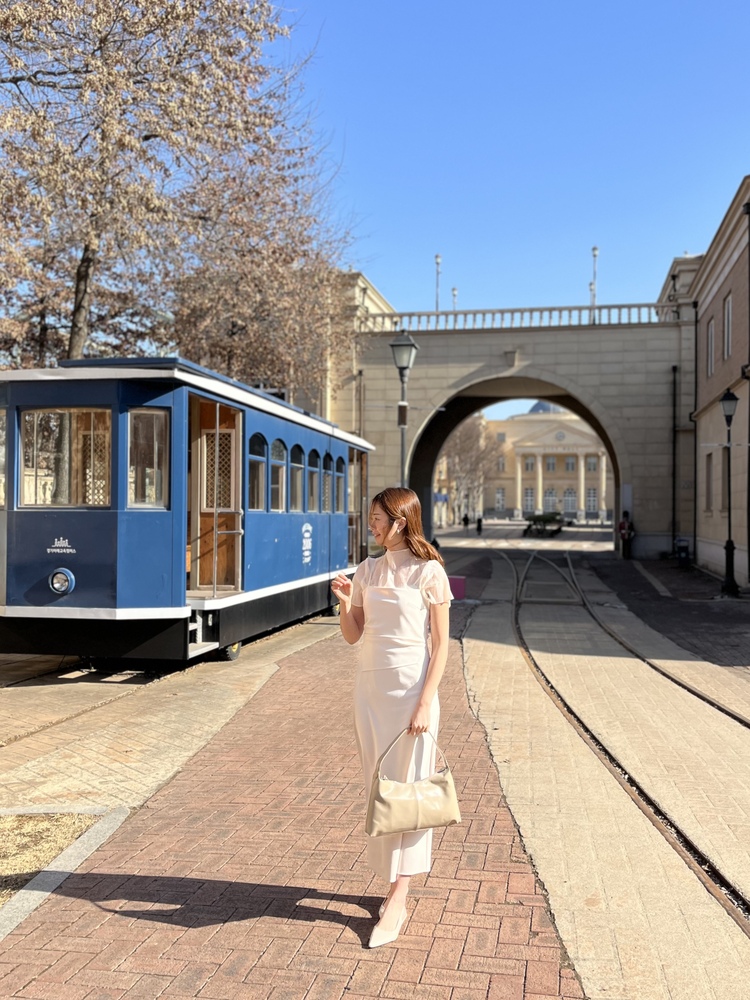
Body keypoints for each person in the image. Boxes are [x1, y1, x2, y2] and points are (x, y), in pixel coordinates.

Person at [331, 487, 452, 949]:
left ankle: (399, 895)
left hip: (411, 693)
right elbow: (352, 635)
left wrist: (426, 701)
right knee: (378, 792)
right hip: (370, 691)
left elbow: (440, 646)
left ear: (401, 521)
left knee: (408, 791)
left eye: (378, 518)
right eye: (371, 517)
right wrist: (345, 600)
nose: (371, 524)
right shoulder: (367, 569)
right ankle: (392, 882)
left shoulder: (430, 572)